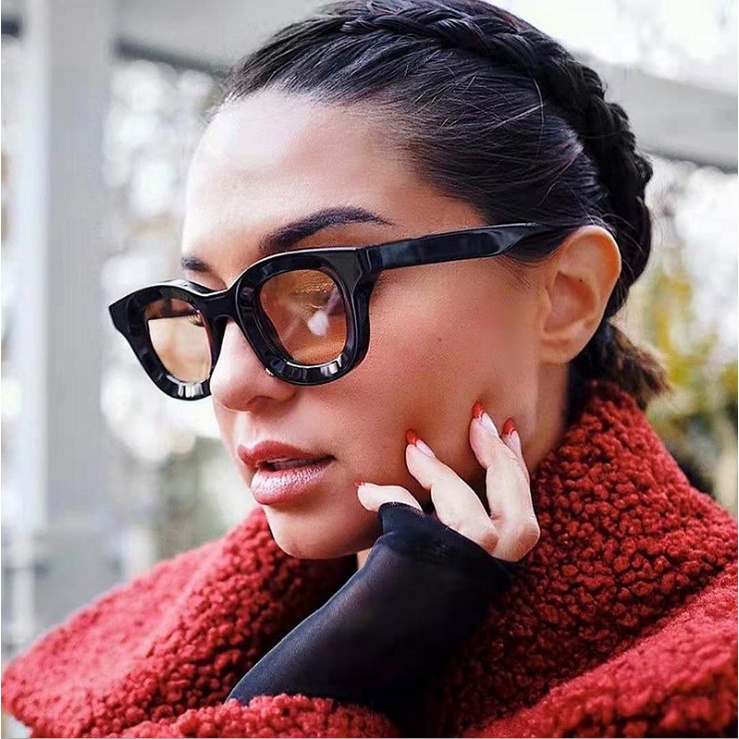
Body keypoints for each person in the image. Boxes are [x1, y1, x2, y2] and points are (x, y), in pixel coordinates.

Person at [2, 0, 736, 736]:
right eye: (205, 310)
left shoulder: (706, 682)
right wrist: (316, 677)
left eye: (316, 294)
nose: (231, 382)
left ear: (566, 297)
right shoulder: (113, 665)